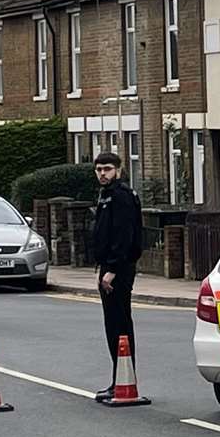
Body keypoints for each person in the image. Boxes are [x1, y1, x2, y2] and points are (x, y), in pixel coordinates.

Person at [88, 153, 143, 402]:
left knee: (118, 325)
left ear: (118, 170)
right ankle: (119, 379)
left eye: (107, 169)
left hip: (118, 269)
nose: (102, 173)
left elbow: (123, 236)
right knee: (114, 325)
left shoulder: (120, 196)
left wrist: (111, 269)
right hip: (111, 266)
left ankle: (123, 380)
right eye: (99, 169)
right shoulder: (107, 195)